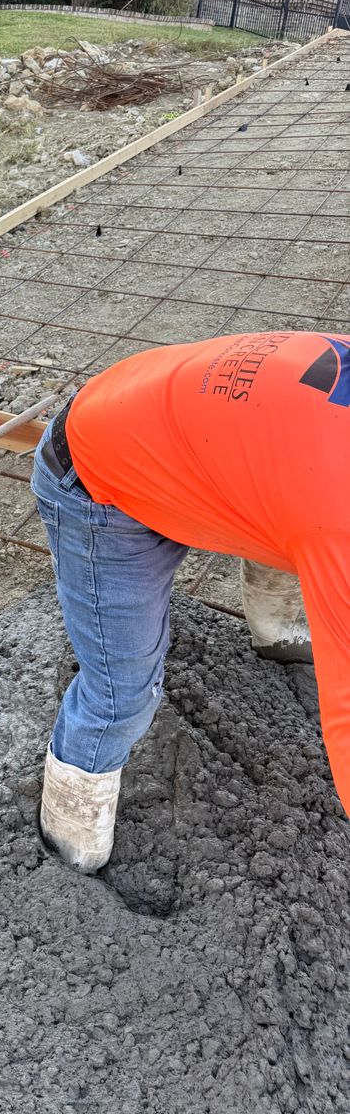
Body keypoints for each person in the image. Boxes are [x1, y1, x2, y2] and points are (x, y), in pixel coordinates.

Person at [31, 330, 350, 872]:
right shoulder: (336, 512)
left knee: (289, 515)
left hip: (179, 423)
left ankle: (275, 636)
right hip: (99, 478)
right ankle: (71, 844)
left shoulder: (323, 494)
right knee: (120, 692)